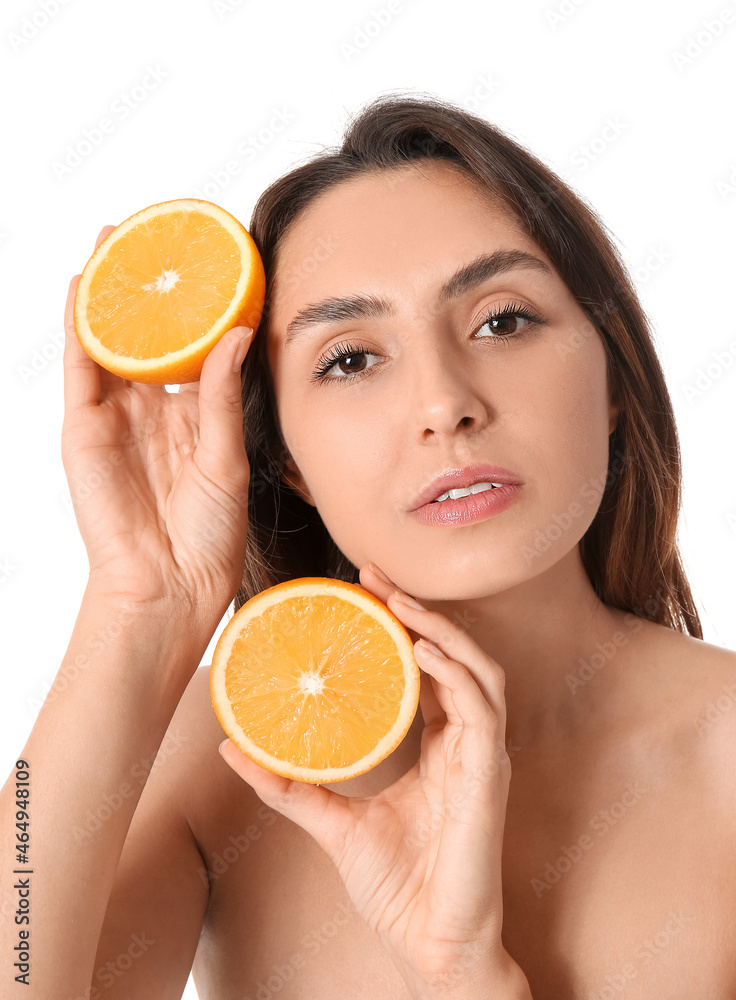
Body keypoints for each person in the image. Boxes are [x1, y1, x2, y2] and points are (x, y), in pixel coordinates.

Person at [2, 89, 734, 1000]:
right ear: (287, 460)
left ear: (614, 378)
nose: (444, 404)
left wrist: (461, 977)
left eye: (503, 320)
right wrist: (136, 608)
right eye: (350, 359)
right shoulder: (228, 757)